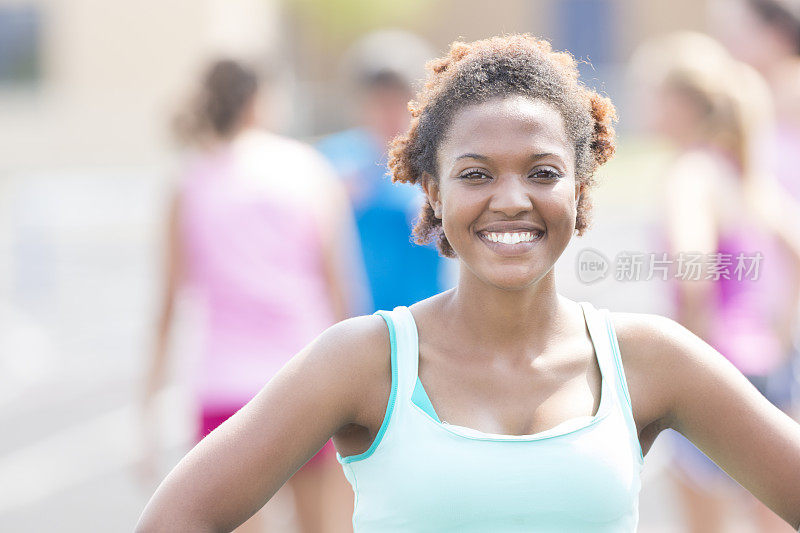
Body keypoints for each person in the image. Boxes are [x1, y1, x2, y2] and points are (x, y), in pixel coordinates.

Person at [135, 35, 800, 532]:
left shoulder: (647, 359)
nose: (511, 198)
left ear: (580, 186)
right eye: (476, 174)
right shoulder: (364, 361)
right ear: (433, 190)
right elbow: (174, 520)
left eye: (542, 171)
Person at [140, 59, 357, 532]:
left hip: (222, 383)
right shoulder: (306, 168)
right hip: (306, 375)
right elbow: (342, 286)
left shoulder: (190, 179)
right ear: (259, 100)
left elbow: (168, 304)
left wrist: (147, 415)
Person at [631, 32, 800, 532]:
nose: (646, 107)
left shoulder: (691, 173)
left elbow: (693, 263)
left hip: (716, 368)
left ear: (683, 104)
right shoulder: (743, 172)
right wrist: (782, 331)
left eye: (653, 95)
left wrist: (690, 342)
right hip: (766, 365)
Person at [317, 30, 449, 313]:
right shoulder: (334, 162)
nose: (388, 111)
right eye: (378, 100)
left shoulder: (438, 162)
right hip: (354, 324)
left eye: (398, 100)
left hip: (426, 319)